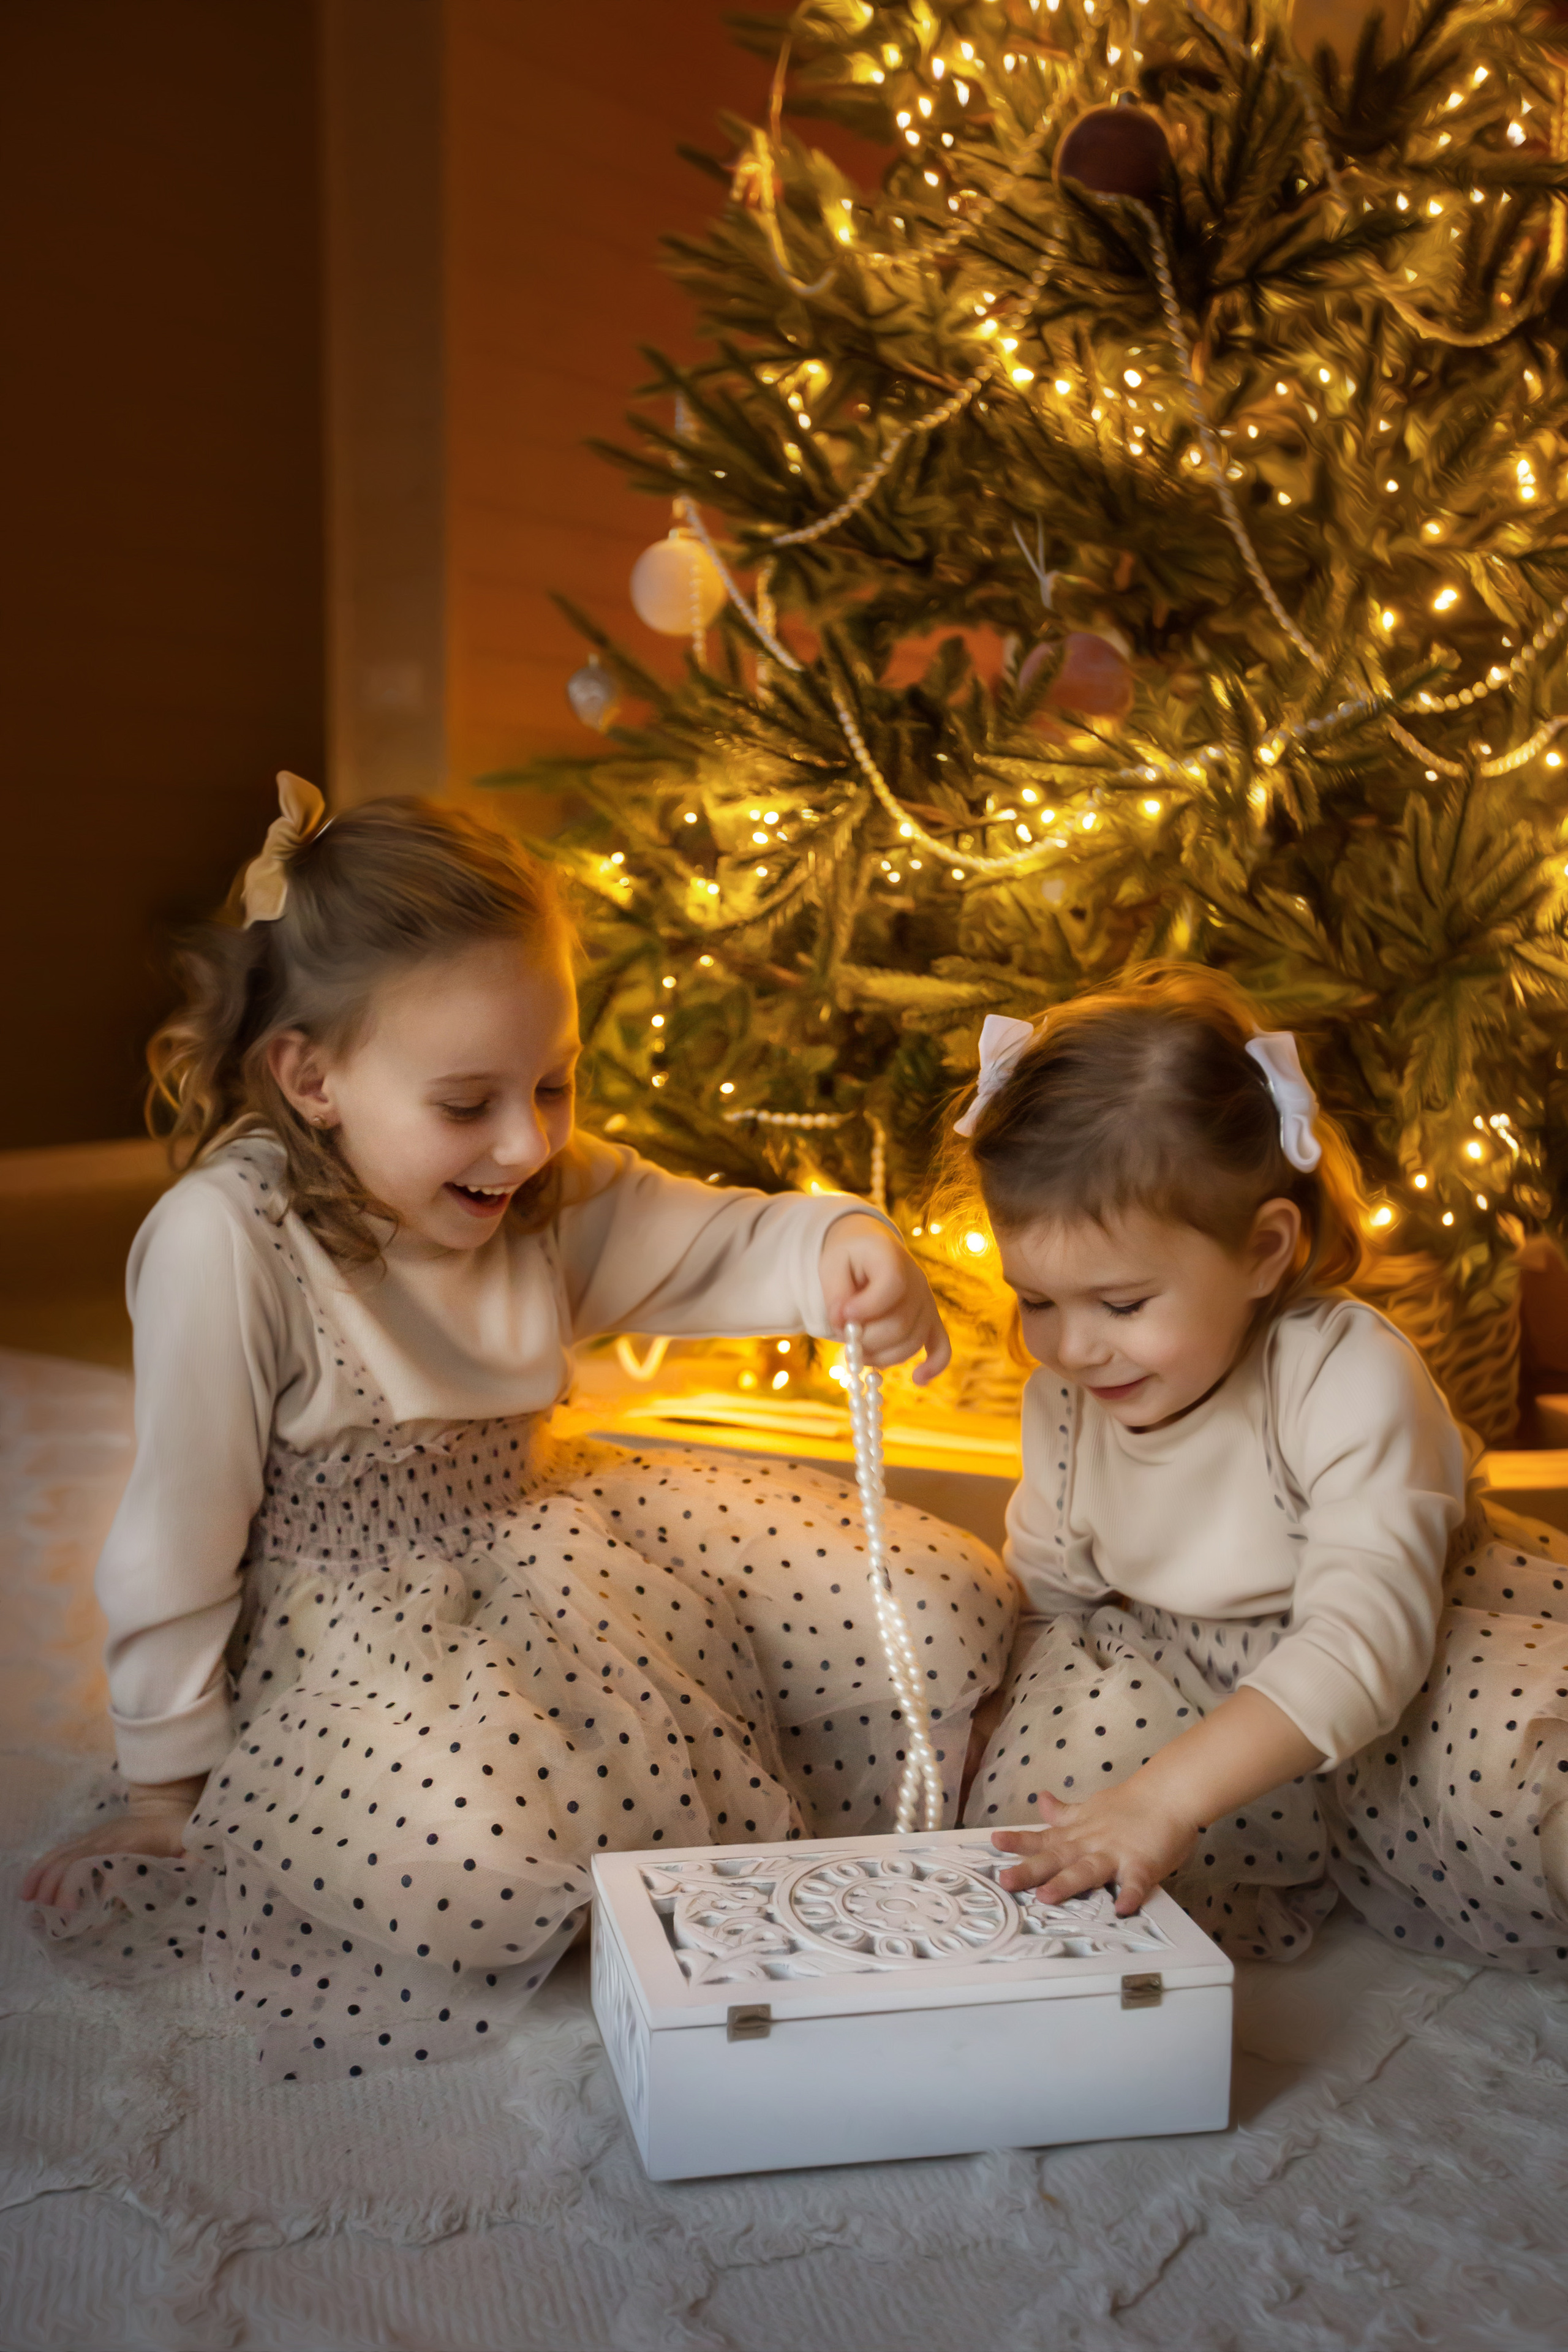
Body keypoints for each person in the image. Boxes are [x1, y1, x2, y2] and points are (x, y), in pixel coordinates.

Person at [23, 777, 1017, 2079]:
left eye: (552, 1084)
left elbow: (711, 1235)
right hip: (357, 1617)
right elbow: (178, 1529)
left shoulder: (547, 1188)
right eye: (467, 1103)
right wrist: (166, 1786)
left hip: (556, 1524)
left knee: (945, 1603)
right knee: (481, 1866)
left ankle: (735, 1785)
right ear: (309, 1077)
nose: (525, 1140)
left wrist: (844, 1243)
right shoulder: (229, 1240)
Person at [952, 964, 1568, 1972]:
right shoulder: (1067, 1397)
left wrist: (1165, 1797)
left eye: (1121, 1305)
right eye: (1037, 1301)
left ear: (1264, 1250)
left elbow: (1366, 1638)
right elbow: (1052, 1602)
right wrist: (1007, 1729)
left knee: (1529, 1757)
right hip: (1178, 1672)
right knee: (1046, 1829)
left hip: (1406, 1654)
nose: (1070, 1348)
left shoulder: (1342, 1369)